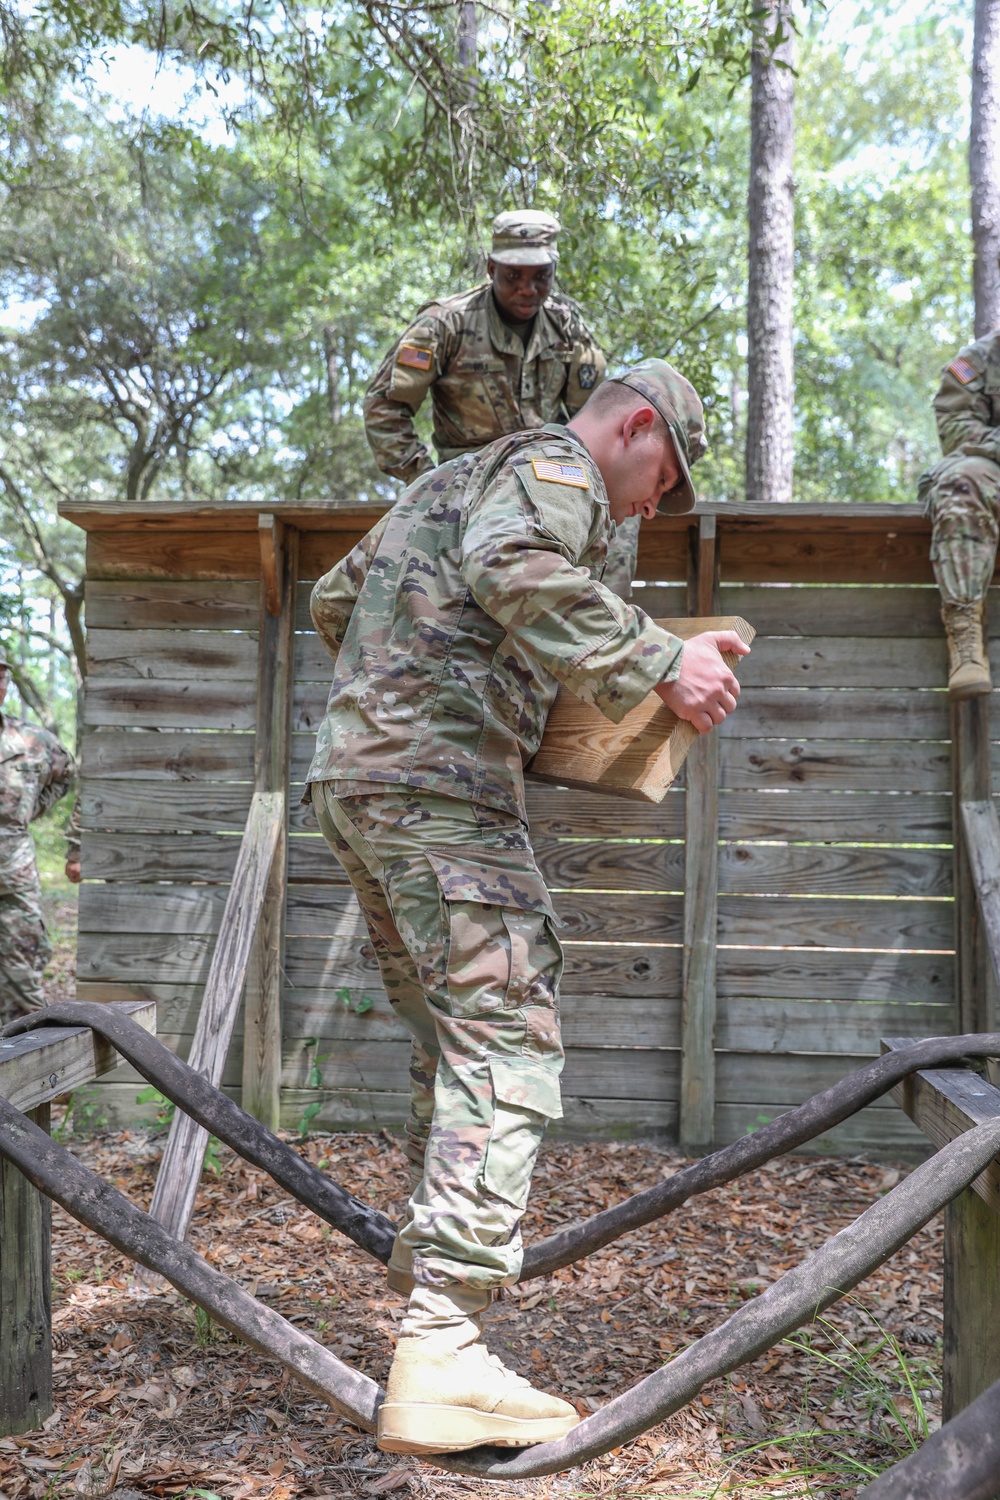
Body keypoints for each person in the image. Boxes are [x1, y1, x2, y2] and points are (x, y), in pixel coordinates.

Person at [307, 358, 749, 1456]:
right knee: (508, 1030)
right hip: (441, 785)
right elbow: (511, 563)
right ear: (638, 428)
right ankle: (445, 1343)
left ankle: (427, 1306)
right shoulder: (557, 468)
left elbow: (333, 602)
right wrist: (656, 661)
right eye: (664, 481)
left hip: (358, 782)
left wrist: (439, 678)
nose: (655, 507)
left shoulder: (444, 480)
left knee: (451, 1038)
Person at [363, 210, 640, 597]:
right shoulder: (446, 324)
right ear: (492, 268)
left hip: (547, 475)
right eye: (514, 276)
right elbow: (385, 406)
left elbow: (593, 418)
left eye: (540, 277)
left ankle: (604, 623)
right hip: (469, 478)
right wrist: (423, 477)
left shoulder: (568, 329)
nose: (527, 289)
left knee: (616, 505)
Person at [0, 643, 79, 1023]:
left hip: (12, 876)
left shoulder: (32, 742)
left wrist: (32, 807)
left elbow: (71, 776)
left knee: (24, 969)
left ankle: (24, 1065)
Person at [919, 330, 1000, 697]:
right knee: (961, 479)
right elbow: (956, 430)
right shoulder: (978, 361)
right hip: (993, 471)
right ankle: (966, 638)